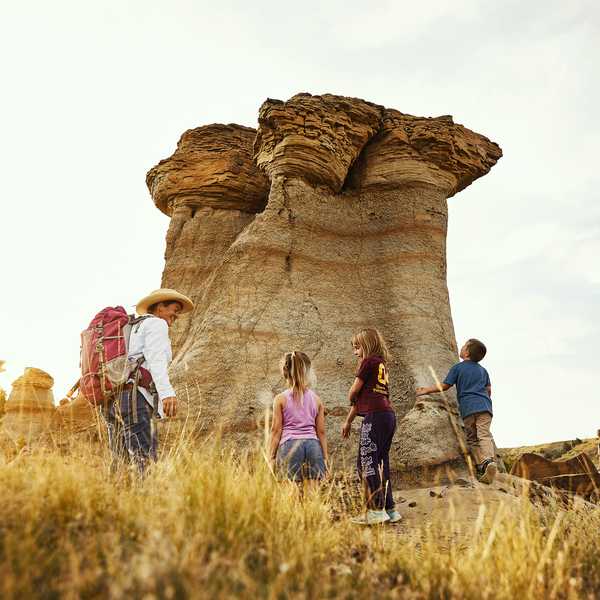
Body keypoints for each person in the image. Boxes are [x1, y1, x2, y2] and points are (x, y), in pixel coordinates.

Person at [103, 288, 194, 474]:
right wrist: (167, 393)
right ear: (160, 307)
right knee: (143, 461)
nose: (176, 315)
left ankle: (118, 499)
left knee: (120, 464)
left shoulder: (133, 327)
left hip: (113, 400)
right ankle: (144, 499)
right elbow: (156, 360)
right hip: (136, 399)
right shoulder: (156, 324)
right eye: (174, 309)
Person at [415, 338, 497, 483]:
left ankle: (481, 465)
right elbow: (489, 390)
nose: (461, 347)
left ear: (466, 352)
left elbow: (445, 386)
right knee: (484, 434)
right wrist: (484, 400)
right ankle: (489, 461)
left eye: (464, 345)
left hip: (468, 408)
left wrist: (426, 390)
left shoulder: (458, 368)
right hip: (484, 407)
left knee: (472, 439)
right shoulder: (483, 370)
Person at [341, 328, 400, 525]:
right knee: (381, 463)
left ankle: (374, 511)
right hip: (387, 416)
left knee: (365, 462)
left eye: (357, 347)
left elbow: (354, 392)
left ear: (367, 345)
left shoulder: (368, 362)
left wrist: (349, 395)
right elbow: (361, 401)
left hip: (374, 418)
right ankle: (390, 509)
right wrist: (349, 421)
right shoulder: (381, 366)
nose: (355, 352)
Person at [269, 351, 328, 492]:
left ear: (284, 372)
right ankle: (312, 514)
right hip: (313, 445)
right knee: (312, 494)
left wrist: (271, 456)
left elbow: (276, 431)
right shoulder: (317, 399)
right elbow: (321, 432)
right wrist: (325, 457)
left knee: (290, 492)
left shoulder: (280, 399)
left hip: (290, 446)